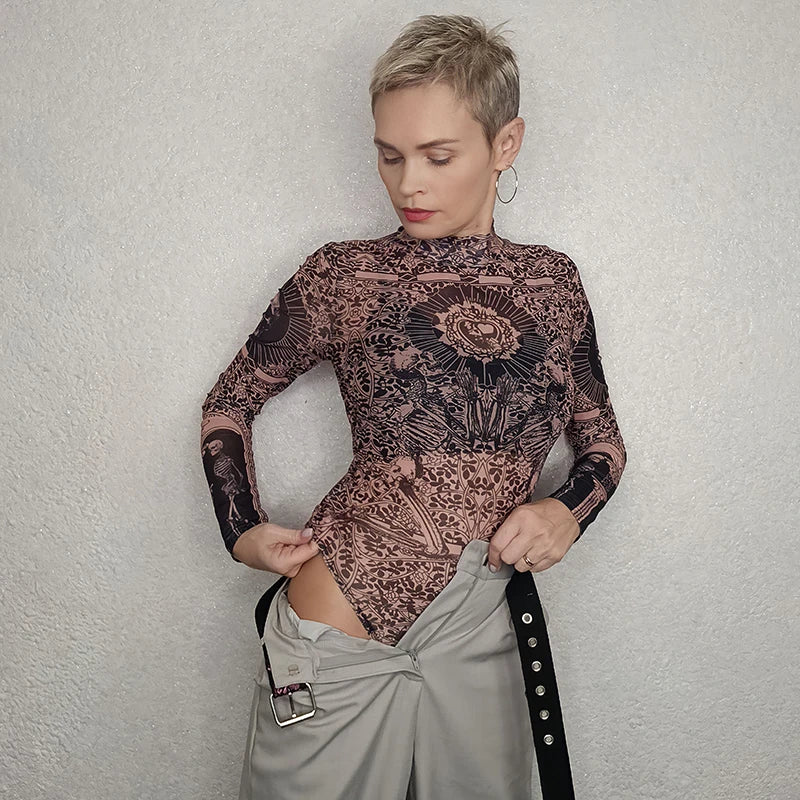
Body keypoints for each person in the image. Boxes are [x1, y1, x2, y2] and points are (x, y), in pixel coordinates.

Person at [200, 13, 627, 800]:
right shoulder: (342, 276)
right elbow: (230, 401)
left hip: (480, 627)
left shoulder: (554, 284)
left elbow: (603, 447)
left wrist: (565, 511)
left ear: (505, 144)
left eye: (438, 155)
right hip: (336, 634)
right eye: (389, 155)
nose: (408, 184)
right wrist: (241, 530)